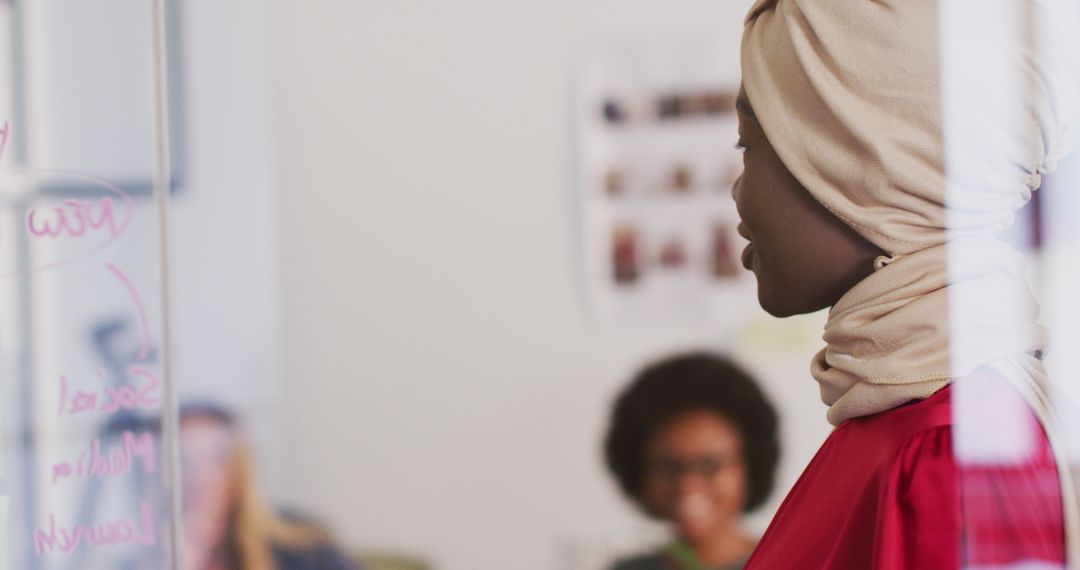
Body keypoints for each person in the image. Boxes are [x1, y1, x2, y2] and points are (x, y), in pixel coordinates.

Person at [734, 1, 1080, 568]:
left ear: (875, 171)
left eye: (749, 145)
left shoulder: (950, 451)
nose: (737, 193)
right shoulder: (903, 416)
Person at [604, 353, 780, 570]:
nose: (688, 485)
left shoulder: (794, 562)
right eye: (670, 468)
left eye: (710, 466)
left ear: (749, 467)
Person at [180, 402, 361, 570]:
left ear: (241, 465)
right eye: (184, 457)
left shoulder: (307, 546)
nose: (200, 471)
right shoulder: (159, 551)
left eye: (217, 455)